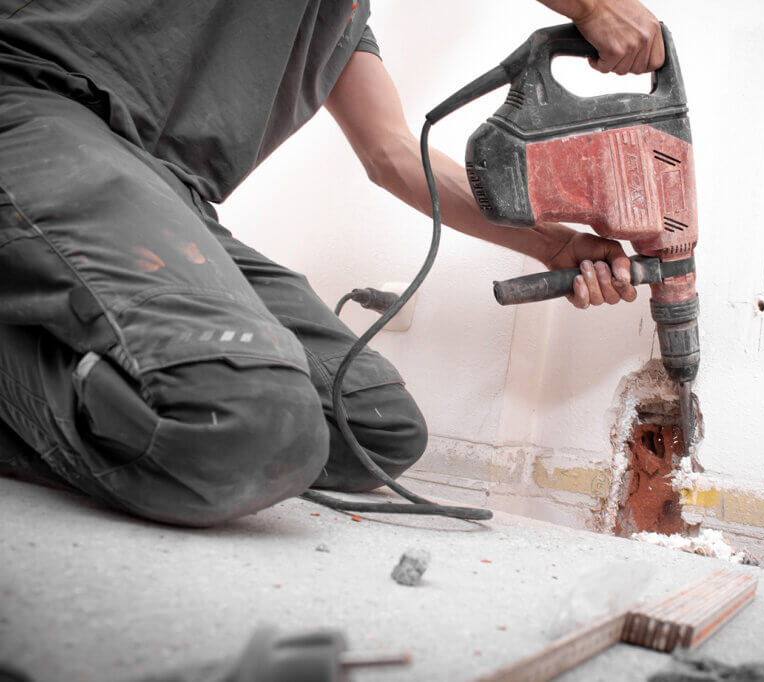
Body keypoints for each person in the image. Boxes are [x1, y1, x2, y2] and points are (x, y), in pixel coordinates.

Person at [0, 0, 665, 526]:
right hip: (35, 111)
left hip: (164, 190)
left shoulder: (342, 15)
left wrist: (553, 244)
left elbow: (393, 155)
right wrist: (591, 4)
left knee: (373, 430)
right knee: (243, 419)